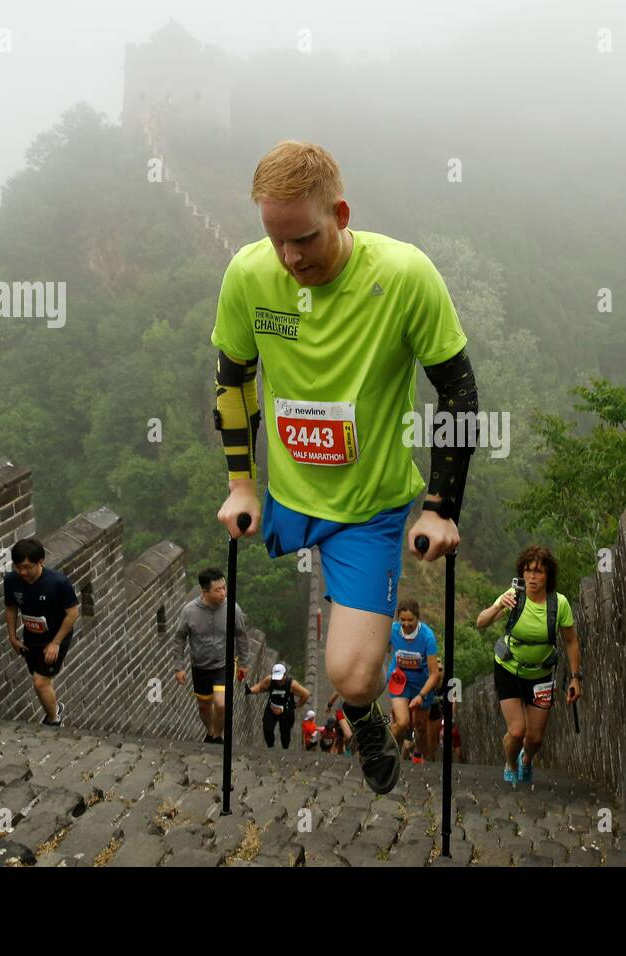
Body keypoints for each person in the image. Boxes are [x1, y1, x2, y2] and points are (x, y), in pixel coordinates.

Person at [211, 140, 479, 795]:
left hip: (367, 508)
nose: (290, 258)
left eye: (303, 239)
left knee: (352, 678)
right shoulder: (249, 276)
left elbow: (459, 391)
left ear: (341, 212)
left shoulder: (405, 275)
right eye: (276, 241)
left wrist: (442, 507)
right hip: (288, 495)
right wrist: (242, 483)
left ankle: (363, 721)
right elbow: (233, 378)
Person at [475, 546, 583, 785]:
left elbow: (570, 641)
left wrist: (575, 677)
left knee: (534, 738)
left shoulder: (559, 604)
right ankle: (511, 762)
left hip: (541, 676)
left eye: (539, 572)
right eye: (528, 571)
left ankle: (526, 760)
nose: (533, 577)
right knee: (516, 731)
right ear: (522, 573)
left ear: (548, 576)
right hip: (508, 669)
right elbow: (480, 622)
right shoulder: (514, 595)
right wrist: (499, 605)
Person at [3, 538, 79, 727]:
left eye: (28, 567)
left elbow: (72, 613)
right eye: (18, 567)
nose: (23, 572)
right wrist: (12, 636)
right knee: (41, 679)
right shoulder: (12, 581)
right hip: (31, 637)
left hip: (55, 637)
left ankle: (54, 721)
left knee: (39, 682)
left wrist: (56, 643)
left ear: (40, 562)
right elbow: (11, 608)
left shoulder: (58, 582)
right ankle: (56, 707)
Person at [172, 567, 250, 744]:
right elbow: (179, 638)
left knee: (221, 704)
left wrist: (244, 662)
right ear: (204, 591)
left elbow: (241, 635)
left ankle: (217, 736)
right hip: (200, 666)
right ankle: (210, 732)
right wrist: (179, 667)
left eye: (224, 587)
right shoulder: (189, 611)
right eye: (218, 589)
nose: (223, 592)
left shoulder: (233, 609)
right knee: (203, 706)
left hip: (223, 664)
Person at [385, 599, 440, 763]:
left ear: (418, 618)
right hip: (399, 680)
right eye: (403, 620)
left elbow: (434, 674)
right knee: (402, 722)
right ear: (398, 619)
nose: (406, 624)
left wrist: (421, 695)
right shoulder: (393, 630)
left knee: (420, 727)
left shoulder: (427, 637)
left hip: (422, 685)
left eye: (411, 620)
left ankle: (424, 757)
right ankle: (388, 757)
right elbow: (380, 647)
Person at [246, 663, 310, 749]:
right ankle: (270, 747)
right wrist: (250, 690)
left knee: (285, 732)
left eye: (280, 678)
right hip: (272, 707)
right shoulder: (269, 680)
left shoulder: (292, 684)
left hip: (286, 711)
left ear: (284, 675)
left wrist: (297, 705)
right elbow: (261, 687)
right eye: (276, 678)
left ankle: (285, 750)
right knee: (267, 728)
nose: (278, 681)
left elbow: (306, 694)